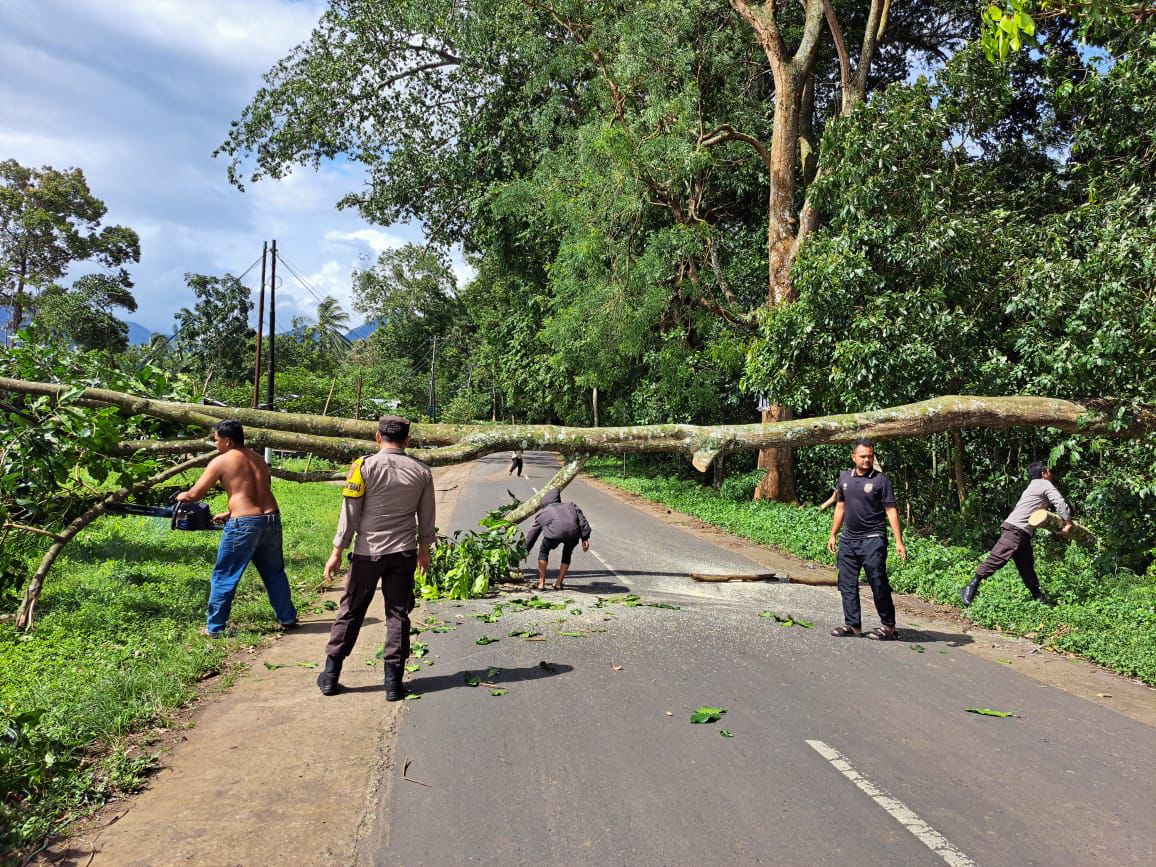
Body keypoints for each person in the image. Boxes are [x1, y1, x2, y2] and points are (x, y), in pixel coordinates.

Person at [316, 415, 435, 700]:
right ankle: (393, 685)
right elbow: (427, 516)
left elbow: (350, 513)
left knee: (351, 611)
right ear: (407, 440)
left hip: (367, 553)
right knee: (397, 614)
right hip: (403, 553)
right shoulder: (421, 471)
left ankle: (331, 677)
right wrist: (424, 550)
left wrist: (337, 551)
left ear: (378, 437)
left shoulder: (363, 467)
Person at [175, 419, 298, 637]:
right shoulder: (258, 459)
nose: (216, 444)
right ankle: (287, 617)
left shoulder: (221, 461)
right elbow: (257, 492)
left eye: (216, 440)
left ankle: (215, 628)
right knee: (274, 572)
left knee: (224, 574)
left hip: (243, 525)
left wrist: (180, 496)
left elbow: (195, 495)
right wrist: (230, 512)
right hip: (270, 519)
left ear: (228, 441)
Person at [827, 438, 907, 640]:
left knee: (878, 582)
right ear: (853, 457)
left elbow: (891, 510)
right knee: (846, 583)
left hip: (873, 539)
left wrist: (899, 541)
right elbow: (840, 507)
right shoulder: (844, 478)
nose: (867, 460)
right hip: (848, 540)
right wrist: (833, 533)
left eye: (870, 456)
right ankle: (853, 626)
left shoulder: (881, 480)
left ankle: (889, 627)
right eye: (863, 456)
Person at [961, 462, 1072, 606]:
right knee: (998, 557)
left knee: (1026, 566)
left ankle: (1038, 596)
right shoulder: (1044, 484)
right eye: (1049, 471)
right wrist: (1068, 522)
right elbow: (1060, 503)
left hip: (1023, 532)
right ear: (1044, 473)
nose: (1051, 474)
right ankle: (971, 585)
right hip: (1016, 529)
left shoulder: (1033, 486)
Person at [523, 489, 591, 591]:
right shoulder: (571, 505)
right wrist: (585, 538)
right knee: (567, 553)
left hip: (554, 534)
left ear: (545, 501)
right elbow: (582, 521)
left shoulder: (545, 511)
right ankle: (559, 583)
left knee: (544, 550)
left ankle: (541, 583)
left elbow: (533, 533)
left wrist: (524, 550)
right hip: (573, 534)